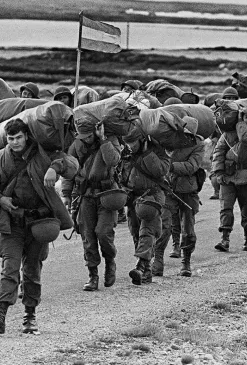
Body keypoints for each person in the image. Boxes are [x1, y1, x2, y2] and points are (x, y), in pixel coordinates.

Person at [0, 119, 78, 334]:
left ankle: (30, 318)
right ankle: (0, 316)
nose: (14, 142)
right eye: (10, 138)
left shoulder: (44, 153)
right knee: (9, 268)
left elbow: (72, 164)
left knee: (32, 270)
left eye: (18, 138)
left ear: (27, 136)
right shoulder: (0, 158)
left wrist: (54, 167)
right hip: (11, 222)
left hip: (39, 223)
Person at [62, 118, 121, 290]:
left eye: (89, 136)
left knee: (103, 232)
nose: (85, 139)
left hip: (107, 194)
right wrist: (66, 194)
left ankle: (110, 262)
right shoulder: (76, 145)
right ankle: (93, 274)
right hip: (85, 195)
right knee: (87, 235)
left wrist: (103, 140)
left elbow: (113, 161)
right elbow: (68, 170)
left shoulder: (111, 141)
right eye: (83, 136)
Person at [153, 118, 204, 276]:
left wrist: (169, 165)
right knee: (164, 225)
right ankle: (158, 259)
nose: (185, 137)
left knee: (188, 229)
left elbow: (192, 166)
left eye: (188, 134)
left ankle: (186, 262)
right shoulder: (168, 141)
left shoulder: (198, 145)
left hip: (188, 191)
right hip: (168, 190)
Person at [212, 112, 247, 252]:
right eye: (243, 117)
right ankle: (225, 239)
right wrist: (219, 172)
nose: (246, 119)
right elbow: (218, 152)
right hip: (228, 177)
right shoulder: (227, 135)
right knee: (226, 208)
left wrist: (244, 125)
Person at [120, 131, 170, 285]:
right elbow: (121, 174)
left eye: (133, 142)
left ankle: (140, 265)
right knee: (135, 231)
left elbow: (161, 171)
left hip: (153, 195)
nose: (130, 146)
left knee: (148, 230)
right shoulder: (125, 153)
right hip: (133, 197)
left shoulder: (158, 151)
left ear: (142, 140)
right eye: (128, 143)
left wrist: (147, 153)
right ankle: (146, 271)